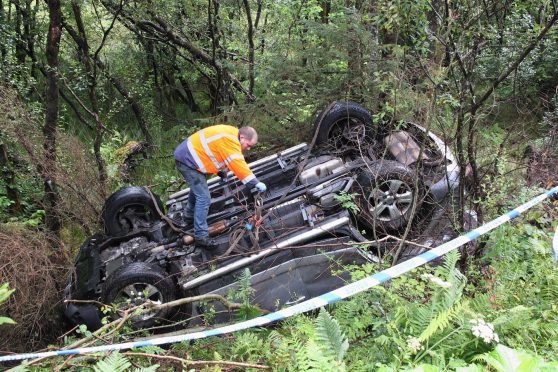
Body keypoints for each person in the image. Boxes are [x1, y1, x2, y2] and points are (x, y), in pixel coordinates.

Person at [174, 125, 267, 249]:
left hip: (190, 157)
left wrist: (221, 172)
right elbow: (238, 164)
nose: (249, 149)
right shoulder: (231, 140)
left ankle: (188, 216)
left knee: (197, 190)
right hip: (188, 160)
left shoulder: (232, 135)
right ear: (243, 137)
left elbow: (217, 153)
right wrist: (255, 182)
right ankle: (201, 236)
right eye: (249, 145)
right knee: (204, 197)